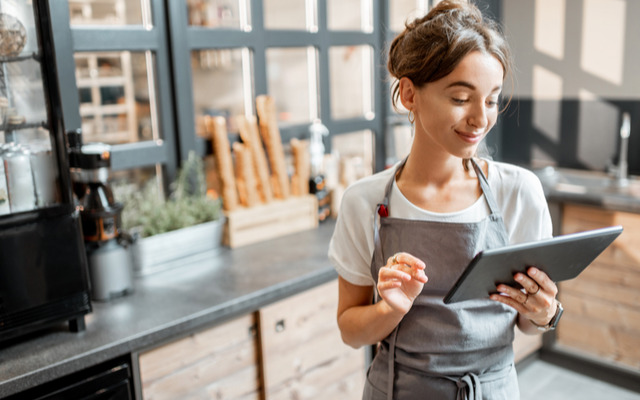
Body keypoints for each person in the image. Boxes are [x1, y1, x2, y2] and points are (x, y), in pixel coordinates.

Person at [328, 1, 561, 399]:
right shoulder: (364, 202)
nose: (480, 119)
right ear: (409, 93)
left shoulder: (518, 192)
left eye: (491, 100)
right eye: (460, 98)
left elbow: (527, 322)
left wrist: (544, 313)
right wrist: (390, 308)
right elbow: (351, 331)